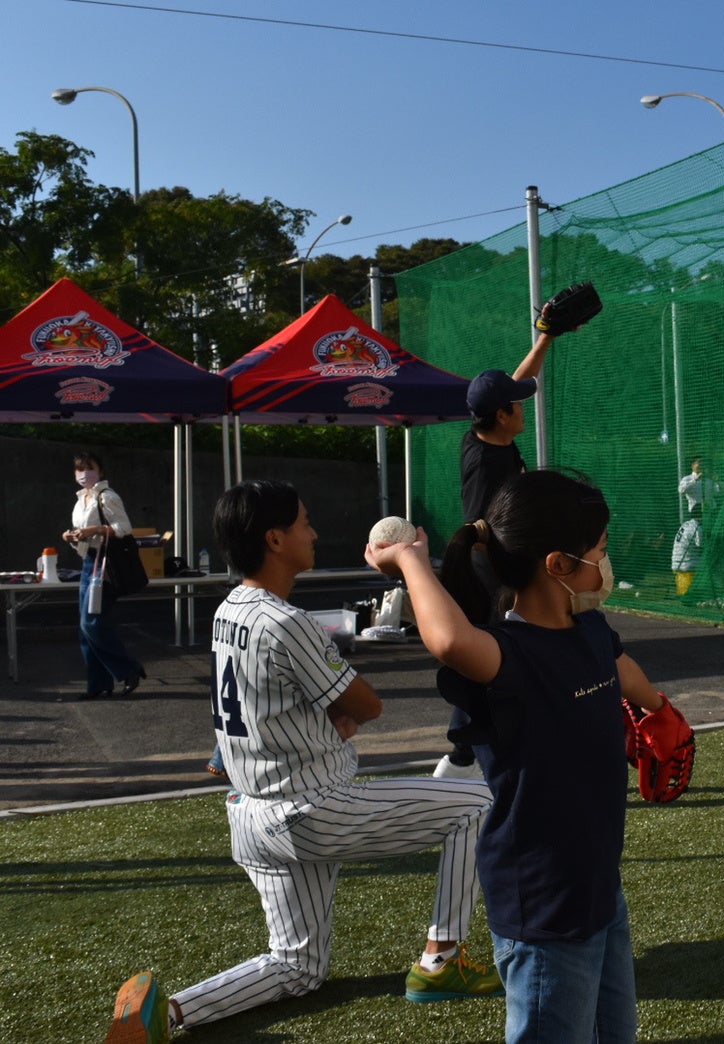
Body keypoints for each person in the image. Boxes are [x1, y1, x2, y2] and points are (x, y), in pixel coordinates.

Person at [103, 480, 499, 1043]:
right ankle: (441, 961)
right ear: (274, 538)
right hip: (313, 809)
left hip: (250, 816)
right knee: (476, 804)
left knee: (298, 968)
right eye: (304, 523)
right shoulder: (286, 621)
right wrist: (343, 708)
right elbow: (367, 704)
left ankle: (167, 1015)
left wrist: (332, 712)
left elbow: (281, 699)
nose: (314, 532)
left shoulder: (228, 610)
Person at [365, 468, 676, 1044]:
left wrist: (659, 710)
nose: (606, 566)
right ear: (557, 565)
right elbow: (449, 640)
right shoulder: (508, 654)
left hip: (598, 886)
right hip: (543, 907)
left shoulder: (588, 629)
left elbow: (616, 663)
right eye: (600, 552)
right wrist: (410, 562)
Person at [438, 323, 564, 780]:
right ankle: (463, 759)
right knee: (490, 659)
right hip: (490, 569)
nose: (522, 405)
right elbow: (485, 529)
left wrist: (546, 337)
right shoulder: (489, 464)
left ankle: (470, 754)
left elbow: (517, 381)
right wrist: (512, 582)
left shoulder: (485, 433)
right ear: (503, 415)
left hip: (495, 567)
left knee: (502, 657)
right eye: (516, 403)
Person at [61, 450, 145, 701]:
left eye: (89, 468)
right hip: (89, 562)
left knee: (92, 622)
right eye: (80, 469)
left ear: (100, 471)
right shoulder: (81, 500)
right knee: (85, 627)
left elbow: (124, 528)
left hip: (106, 564)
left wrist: (94, 529)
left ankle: (129, 669)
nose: (84, 473)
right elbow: (83, 532)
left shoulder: (107, 496)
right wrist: (73, 535)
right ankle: (98, 684)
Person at [671, 502, 704, 596]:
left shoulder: (686, 524)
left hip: (678, 563)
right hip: (687, 565)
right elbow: (701, 546)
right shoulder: (697, 528)